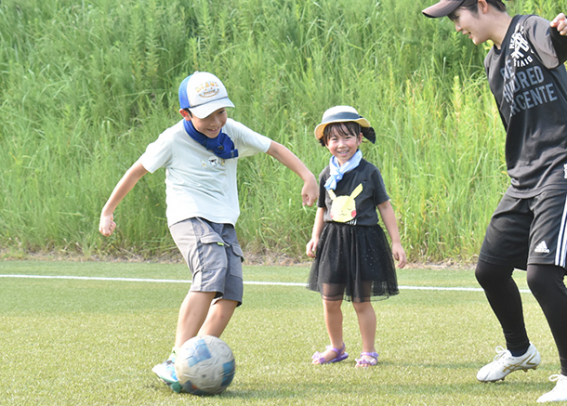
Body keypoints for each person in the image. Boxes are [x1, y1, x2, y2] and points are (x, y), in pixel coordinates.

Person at [99, 71, 319, 392]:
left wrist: (307, 176)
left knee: (230, 292)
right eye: (206, 115)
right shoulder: (173, 139)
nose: (216, 121)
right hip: (188, 216)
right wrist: (108, 210)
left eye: (221, 111)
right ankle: (177, 359)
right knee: (211, 269)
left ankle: (195, 364)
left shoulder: (231, 130)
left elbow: (274, 148)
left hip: (223, 221)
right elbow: (136, 172)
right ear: (185, 114)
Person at [422, 0, 567, 402]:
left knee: (542, 276)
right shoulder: (491, 63)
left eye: (456, 17)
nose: (455, 27)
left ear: (481, 5)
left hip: (560, 169)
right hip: (522, 179)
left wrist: (563, 31)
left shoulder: (534, 29)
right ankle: (520, 351)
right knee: (489, 269)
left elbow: (557, 43)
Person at [305, 105, 407, 368]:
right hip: (333, 242)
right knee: (329, 301)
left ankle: (368, 351)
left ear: (360, 138)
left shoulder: (369, 172)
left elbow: (384, 206)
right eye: (334, 139)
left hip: (364, 242)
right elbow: (322, 209)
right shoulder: (326, 174)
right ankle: (336, 348)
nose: (342, 144)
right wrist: (315, 236)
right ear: (326, 143)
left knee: (361, 302)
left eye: (348, 137)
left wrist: (396, 241)